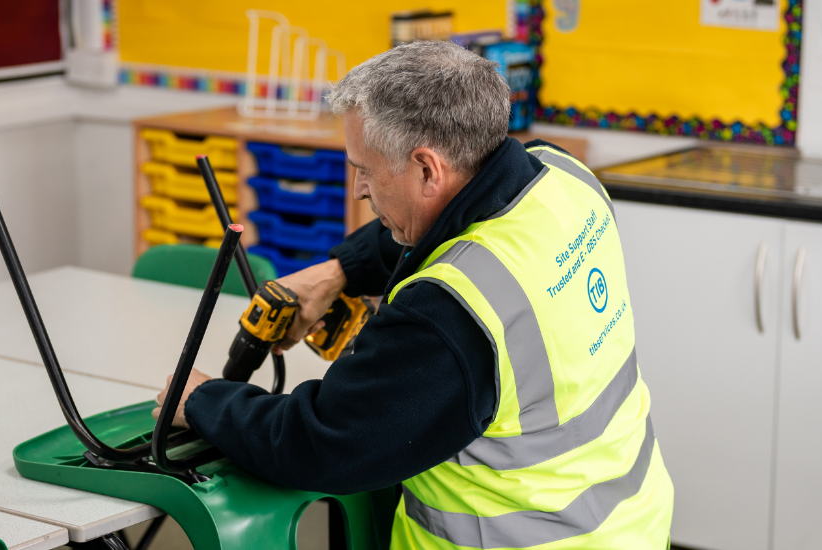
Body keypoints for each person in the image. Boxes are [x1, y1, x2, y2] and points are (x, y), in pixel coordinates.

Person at [154, 40, 674, 549]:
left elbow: (323, 442)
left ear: (427, 168)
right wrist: (338, 271)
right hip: (632, 523)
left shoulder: (449, 310)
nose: (358, 189)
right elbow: (455, 214)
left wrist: (202, 401)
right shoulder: (562, 176)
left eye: (365, 170)